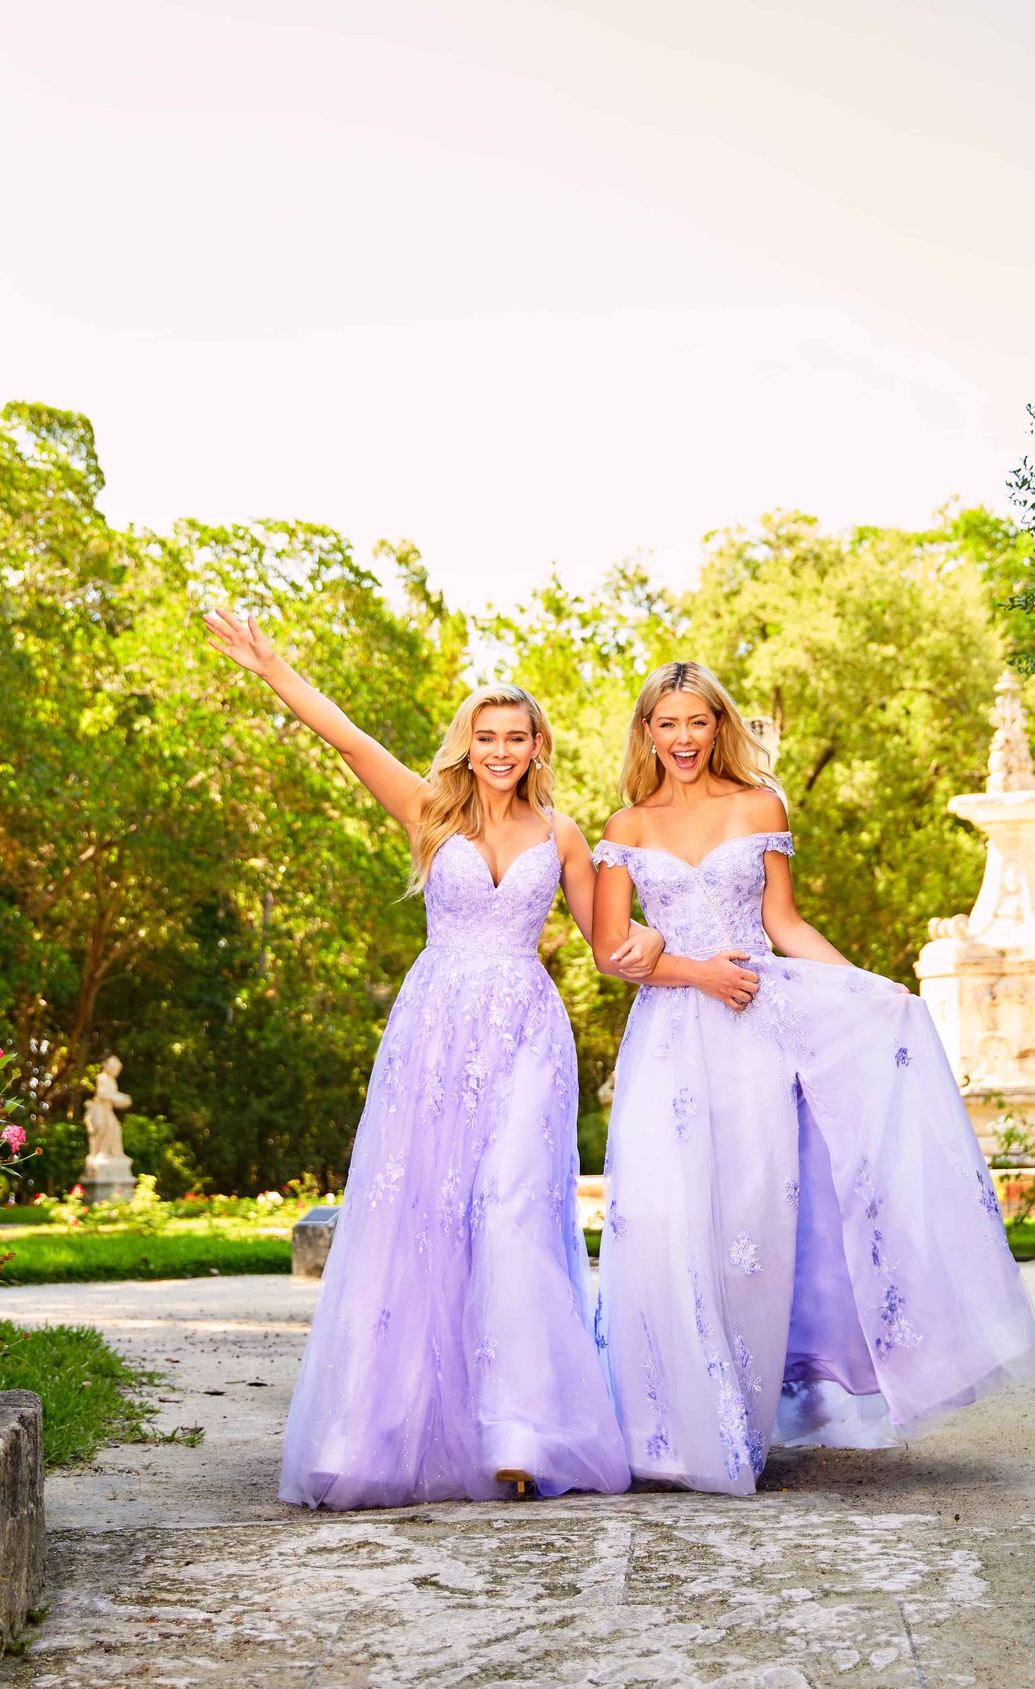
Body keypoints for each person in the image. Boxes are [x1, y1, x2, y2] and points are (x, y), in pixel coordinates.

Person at [202, 609, 662, 1509]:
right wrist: (269, 662)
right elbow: (340, 733)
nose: (499, 750)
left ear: (537, 745)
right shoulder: (428, 810)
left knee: (511, 1211)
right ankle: (393, 1426)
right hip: (436, 1032)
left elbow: (607, 943)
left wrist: (670, 941)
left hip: (529, 1032)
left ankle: (522, 1434)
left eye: (515, 736)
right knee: (425, 1216)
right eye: (485, 736)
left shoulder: (565, 835)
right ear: (467, 745)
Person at [589, 659, 1035, 1493]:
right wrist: (693, 971)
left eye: (697, 721)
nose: (683, 738)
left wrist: (872, 992)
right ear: (647, 732)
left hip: (758, 1029)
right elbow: (612, 953)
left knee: (749, 1226)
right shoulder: (625, 825)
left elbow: (784, 923)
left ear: (718, 724)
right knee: (659, 1217)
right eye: (668, 724)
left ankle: (737, 1428)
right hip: (667, 1040)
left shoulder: (760, 806)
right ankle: (662, 1427)